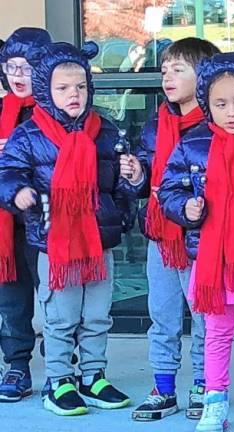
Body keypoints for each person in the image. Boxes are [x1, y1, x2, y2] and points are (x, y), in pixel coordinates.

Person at [0, 41, 137, 415]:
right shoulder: (29, 135)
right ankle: (57, 380)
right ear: (46, 90)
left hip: (98, 239)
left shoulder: (106, 131)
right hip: (56, 241)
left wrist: (133, 180)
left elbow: (123, 184)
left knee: (96, 314)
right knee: (60, 316)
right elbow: (7, 173)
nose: (73, 95)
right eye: (62, 88)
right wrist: (19, 192)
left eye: (80, 86)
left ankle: (93, 376)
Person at [158, 53, 234, 432]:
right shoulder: (192, 144)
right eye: (221, 103)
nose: (232, 112)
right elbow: (168, 189)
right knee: (216, 333)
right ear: (207, 104)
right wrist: (186, 209)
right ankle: (215, 400)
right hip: (213, 261)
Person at [126, 37, 220, 422]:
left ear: (204, 77)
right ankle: (163, 388)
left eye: (179, 69)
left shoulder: (216, 126)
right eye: (165, 69)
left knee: (202, 315)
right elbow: (148, 176)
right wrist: (136, 176)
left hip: (199, 237)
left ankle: (203, 383)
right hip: (160, 236)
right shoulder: (154, 126)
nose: (168, 76)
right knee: (161, 314)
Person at [0, 27, 51, 403]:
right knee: (11, 299)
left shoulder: (57, 108)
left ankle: (62, 367)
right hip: (6, 225)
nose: (18, 75)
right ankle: (16, 364)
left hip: (49, 221)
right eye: (11, 66)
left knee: (56, 298)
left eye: (28, 66)